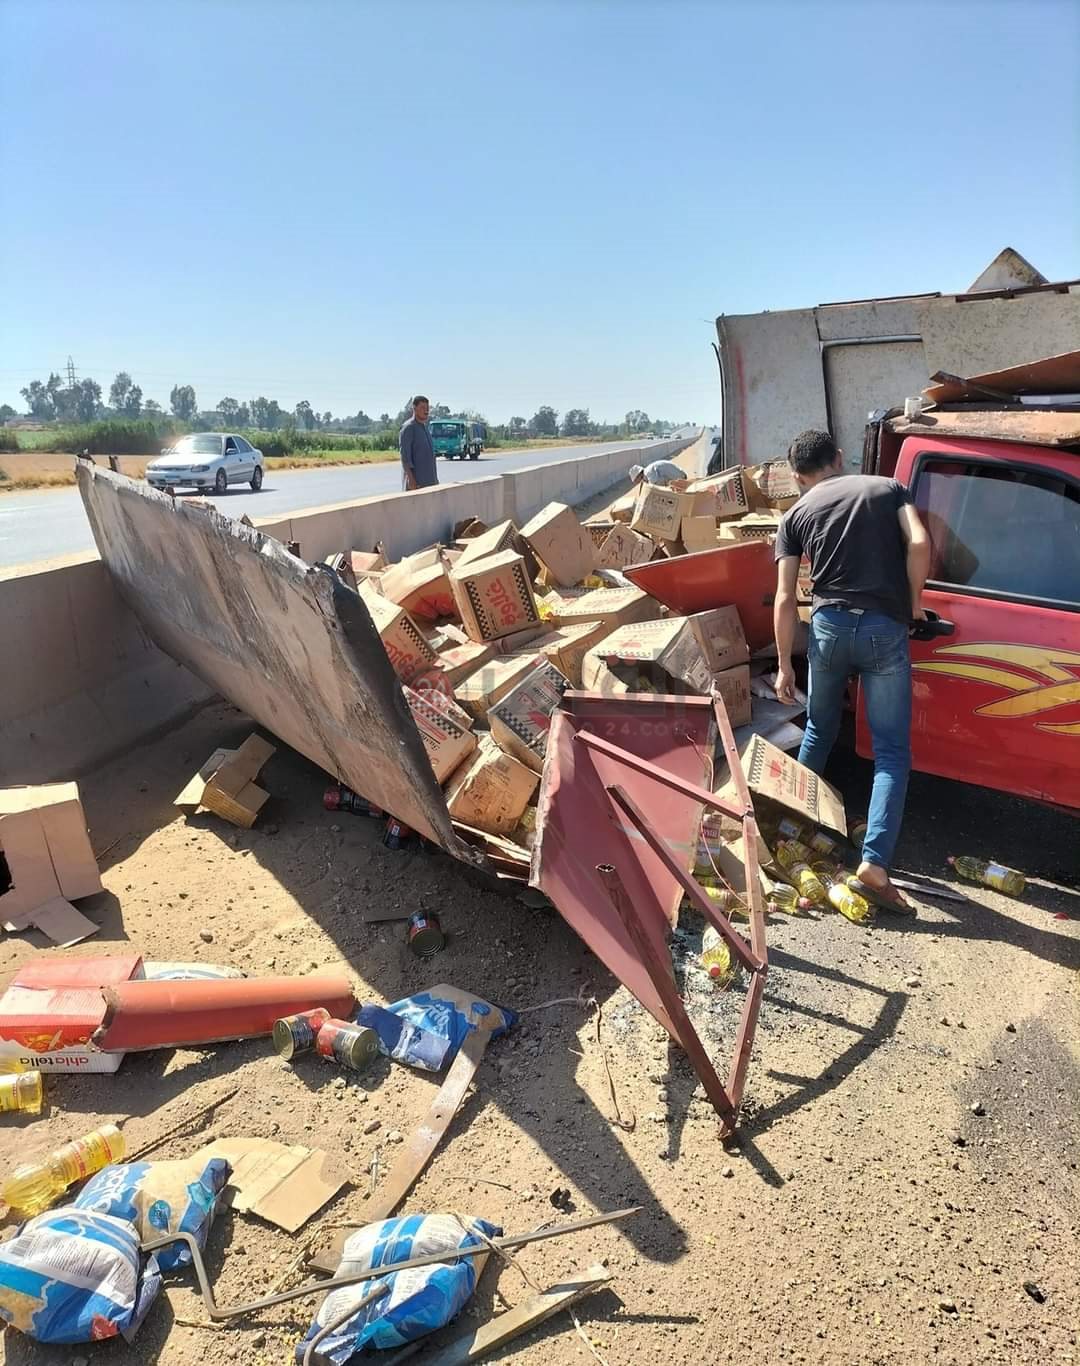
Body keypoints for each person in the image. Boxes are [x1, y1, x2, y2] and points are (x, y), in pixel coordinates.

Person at [772, 429, 931, 912]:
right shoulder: (888, 488)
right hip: (883, 627)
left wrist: (784, 665)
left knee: (819, 729)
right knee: (890, 752)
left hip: (828, 628)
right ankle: (874, 865)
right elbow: (919, 542)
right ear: (839, 458)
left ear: (797, 476)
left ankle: (788, 832)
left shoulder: (795, 515)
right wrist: (915, 604)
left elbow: (785, 597)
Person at [399, 395, 438, 491]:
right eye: (422, 408)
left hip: (430, 483)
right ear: (414, 409)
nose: (426, 411)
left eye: (427, 408)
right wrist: (411, 479)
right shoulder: (409, 428)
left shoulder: (425, 428)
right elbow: (405, 457)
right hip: (416, 485)